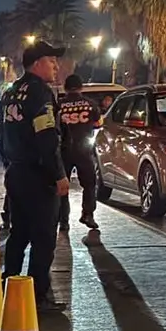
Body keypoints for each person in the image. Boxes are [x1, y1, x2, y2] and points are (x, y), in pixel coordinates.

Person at [0, 40, 69, 312]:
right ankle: (37, 295)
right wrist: (58, 174)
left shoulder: (12, 92)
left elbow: (0, 137)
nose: (56, 66)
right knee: (43, 237)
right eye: (52, 61)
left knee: (19, 234)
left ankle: (9, 286)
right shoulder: (40, 93)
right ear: (37, 63)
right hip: (38, 176)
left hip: (15, 173)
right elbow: (47, 137)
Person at [57, 74, 102, 236]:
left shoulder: (59, 105)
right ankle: (88, 214)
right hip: (84, 150)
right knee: (89, 184)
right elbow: (98, 124)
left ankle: (63, 221)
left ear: (65, 88)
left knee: (63, 186)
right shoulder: (91, 105)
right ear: (81, 87)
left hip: (64, 150)